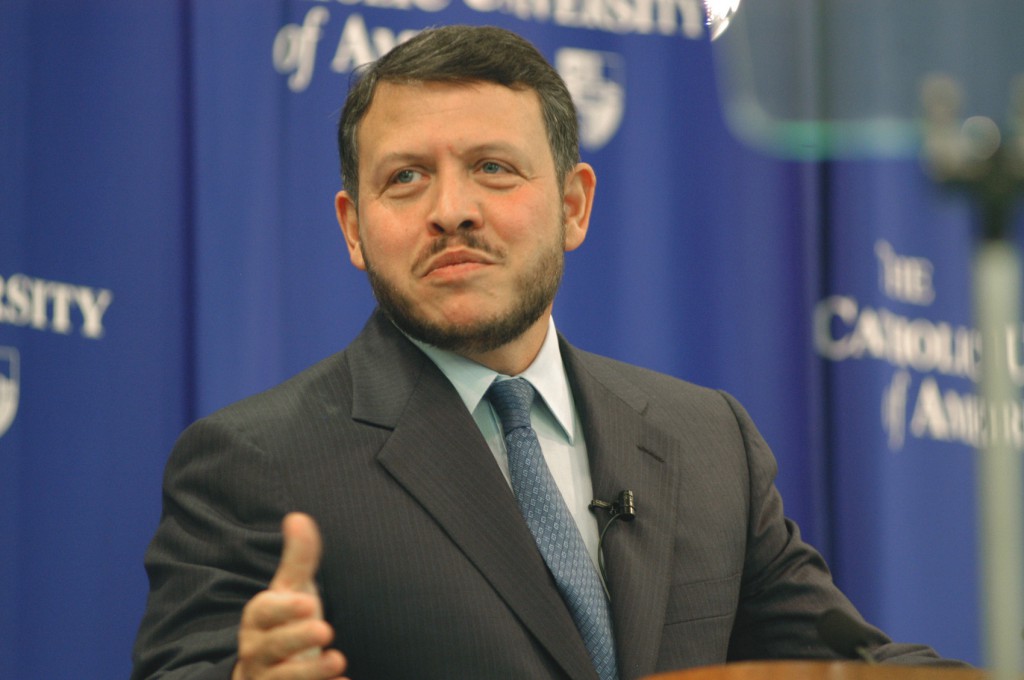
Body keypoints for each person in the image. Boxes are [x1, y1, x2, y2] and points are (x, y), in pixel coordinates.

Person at [131, 24, 960, 680]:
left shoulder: (708, 440)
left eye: (493, 168)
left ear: (573, 205)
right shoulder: (255, 463)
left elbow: (841, 664)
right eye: (407, 178)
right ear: (354, 227)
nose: (451, 210)